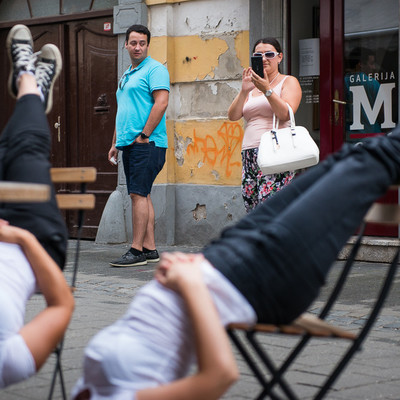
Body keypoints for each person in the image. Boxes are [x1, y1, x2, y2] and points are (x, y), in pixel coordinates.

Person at [73, 114, 400, 397]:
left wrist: (190, 272)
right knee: (372, 160)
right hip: (262, 278)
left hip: (220, 259)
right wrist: (189, 283)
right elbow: (220, 376)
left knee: (343, 159)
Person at [0, 25, 74, 388]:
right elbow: (62, 305)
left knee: (7, 150)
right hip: (33, 242)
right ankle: (28, 80)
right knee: (26, 146)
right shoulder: (6, 363)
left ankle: (31, 85)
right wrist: (16, 236)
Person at [108, 24, 170, 267]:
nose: (137, 47)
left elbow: (162, 103)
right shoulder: (127, 74)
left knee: (137, 195)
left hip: (147, 143)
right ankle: (150, 248)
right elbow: (123, 110)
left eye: (142, 43)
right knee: (142, 194)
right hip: (129, 144)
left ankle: (135, 251)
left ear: (147, 45)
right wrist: (115, 143)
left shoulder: (155, 69)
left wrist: (144, 135)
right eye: (133, 43)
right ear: (126, 45)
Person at [228, 38, 302, 213]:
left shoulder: (288, 81)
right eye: (258, 55)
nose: (263, 58)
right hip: (250, 154)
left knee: (272, 209)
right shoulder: (252, 87)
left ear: (280, 57)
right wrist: (244, 90)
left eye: (269, 54)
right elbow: (233, 115)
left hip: (276, 152)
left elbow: (285, 114)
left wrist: (267, 90)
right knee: (252, 208)